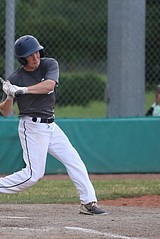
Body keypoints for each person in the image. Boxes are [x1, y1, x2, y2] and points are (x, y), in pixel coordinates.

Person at [0, 35, 107, 215]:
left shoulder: (49, 64)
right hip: (31, 128)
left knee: (74, 160)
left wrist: (22, 90)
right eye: (30, 55)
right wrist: (10, 95)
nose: (35, 57)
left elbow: (49, 86)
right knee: (33, 175)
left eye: (37, 52)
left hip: (51, 125)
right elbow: (6, 111)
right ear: (22, 58)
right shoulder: (16, 78)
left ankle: (88, 203)